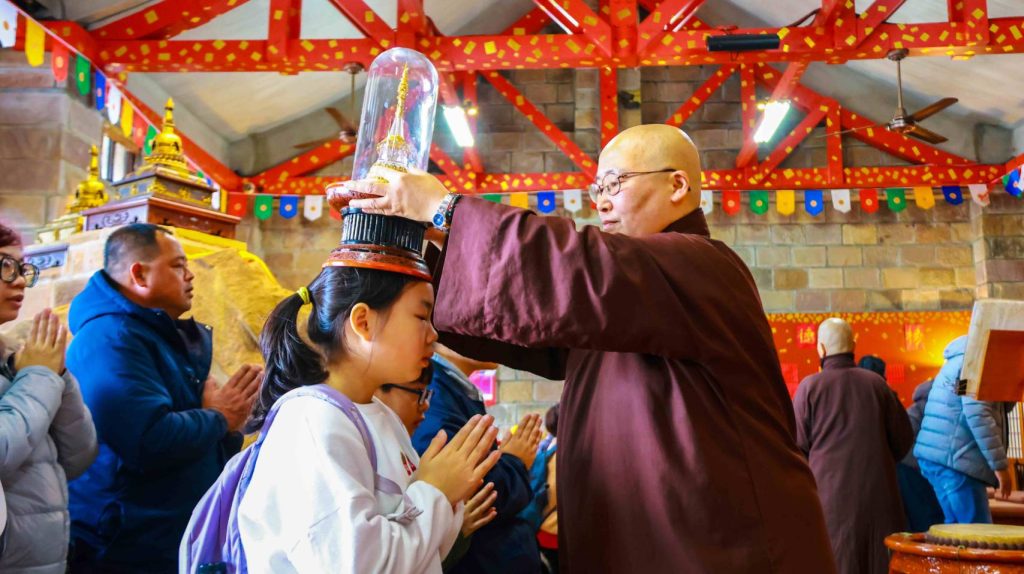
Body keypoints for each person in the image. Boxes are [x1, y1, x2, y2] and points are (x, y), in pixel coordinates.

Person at [346, 123, 836, 573]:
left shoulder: (702, 265)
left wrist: (448, 209)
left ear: (678, 186)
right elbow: (523, 319)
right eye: (596, 188)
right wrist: (422, 243)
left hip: (724, 545)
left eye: (615, 184)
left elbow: (579, 270)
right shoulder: (626, 306)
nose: (600, 203)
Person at [236, 264, 502, 573]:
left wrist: (449, 497)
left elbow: (423, 553)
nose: (433, 335)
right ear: (363, 322)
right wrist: (436, 492)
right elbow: (354, 565)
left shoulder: (383, 418)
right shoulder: (312, 420)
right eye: (421, 317)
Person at [66, 223, 262, 573]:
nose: (190, 276)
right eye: (178, 266)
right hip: (126, 542)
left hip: (165, 535)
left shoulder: (157, 334)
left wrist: (229, 428)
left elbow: (191, 434)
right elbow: (147, 440)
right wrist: (219, 418)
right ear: (139, 274)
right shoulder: (112, 338)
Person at [0, 223, 97, 573]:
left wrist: (56, 373)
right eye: (5, 266)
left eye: (23, 269)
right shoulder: (29, 372)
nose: (20, 281)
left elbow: (77, 458)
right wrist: (39, 376)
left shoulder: (15, 359)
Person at [792, 318, 913, 574]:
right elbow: (903, 441)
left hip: (830, 501)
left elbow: (796, 449)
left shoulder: (809, 388)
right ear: (854, 345)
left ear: (821, 349)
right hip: (880, 499)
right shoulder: (877, 385)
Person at [410, 343, 543, 574]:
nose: (496, 335)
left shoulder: (454, 389)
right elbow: (475, 493)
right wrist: (515, 460)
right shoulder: (436, 394)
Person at [374, 361, 501, 571]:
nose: (425, 405)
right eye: (418, 392)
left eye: (427, 394)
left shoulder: (402, 443)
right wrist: (437, 499)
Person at [914, 335, 1012, 524]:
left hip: (937, 456)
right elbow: (977, 412)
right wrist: (1000, 467)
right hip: (955, 459)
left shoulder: (963, 360)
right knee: (978, 537)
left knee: (956, 533)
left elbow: (968, 400)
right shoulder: (979, 362)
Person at [896, 380, 944, 531]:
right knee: (927, 515)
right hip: (914, 466)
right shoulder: (936, 407)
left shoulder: (916, 407)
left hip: (904, 464)